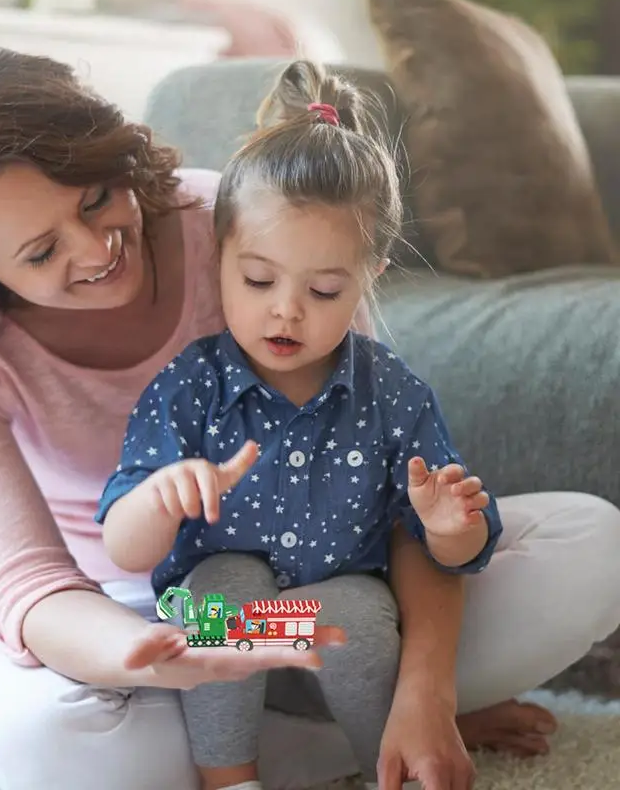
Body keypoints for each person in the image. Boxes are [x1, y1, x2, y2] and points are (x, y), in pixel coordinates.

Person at [0, 43, 620, 790]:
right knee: (49, 747)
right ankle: (315, 734)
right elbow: (33, 589)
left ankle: (353, 716)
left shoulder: (245, 222)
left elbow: (390, 493)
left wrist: (428, 692)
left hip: (343, 590)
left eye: (94, 197)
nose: (97, 247)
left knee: (592, 542)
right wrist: (164, 649)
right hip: (149, 611)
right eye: (43, 252)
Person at [95, 59, 505, 790]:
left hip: (335, 636)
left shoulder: (391, 391)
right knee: (224, 581)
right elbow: (125, 548)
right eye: (258, 281)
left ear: (370, 274)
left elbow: (463, 551)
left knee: (362, 611)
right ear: (217, 256)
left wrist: (447, 526)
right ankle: (232, 778)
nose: (286, 310)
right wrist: (162, 495)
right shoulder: (192, 385)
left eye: (323, 290)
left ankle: (388, 762)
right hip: (215, 640)